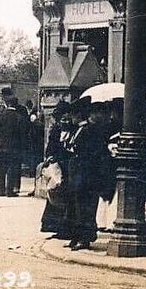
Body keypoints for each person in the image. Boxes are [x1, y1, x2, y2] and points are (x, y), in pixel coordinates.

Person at [64, 100, 116, 251]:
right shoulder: (79, 130)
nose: (71, 118)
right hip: (78, 175)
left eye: (73, 115)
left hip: (87, 176)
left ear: (79, 115)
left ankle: (84, 238)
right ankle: (76, 236)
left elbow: (94, 154)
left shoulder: (90, 130)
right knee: (76, 207)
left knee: (86, 208)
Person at [39, 101, 76, 239]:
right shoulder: (55, 131)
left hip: (68, 167)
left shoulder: (74, 131)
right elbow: (50, 148)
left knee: (67, 197)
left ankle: (66, 228)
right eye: (63, 118)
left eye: (67, 118)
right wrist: (51, 157)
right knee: (55, 195)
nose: (65, 121)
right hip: (58, 168)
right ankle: (54, 225)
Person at [0, 97, 28, 197]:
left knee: (1, 169)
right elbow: (23, 134)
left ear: (6, 104)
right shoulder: (19, 117)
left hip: (1, 146)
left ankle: (1, 190)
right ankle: (10, 190)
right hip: (14, 147)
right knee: (12, 168)